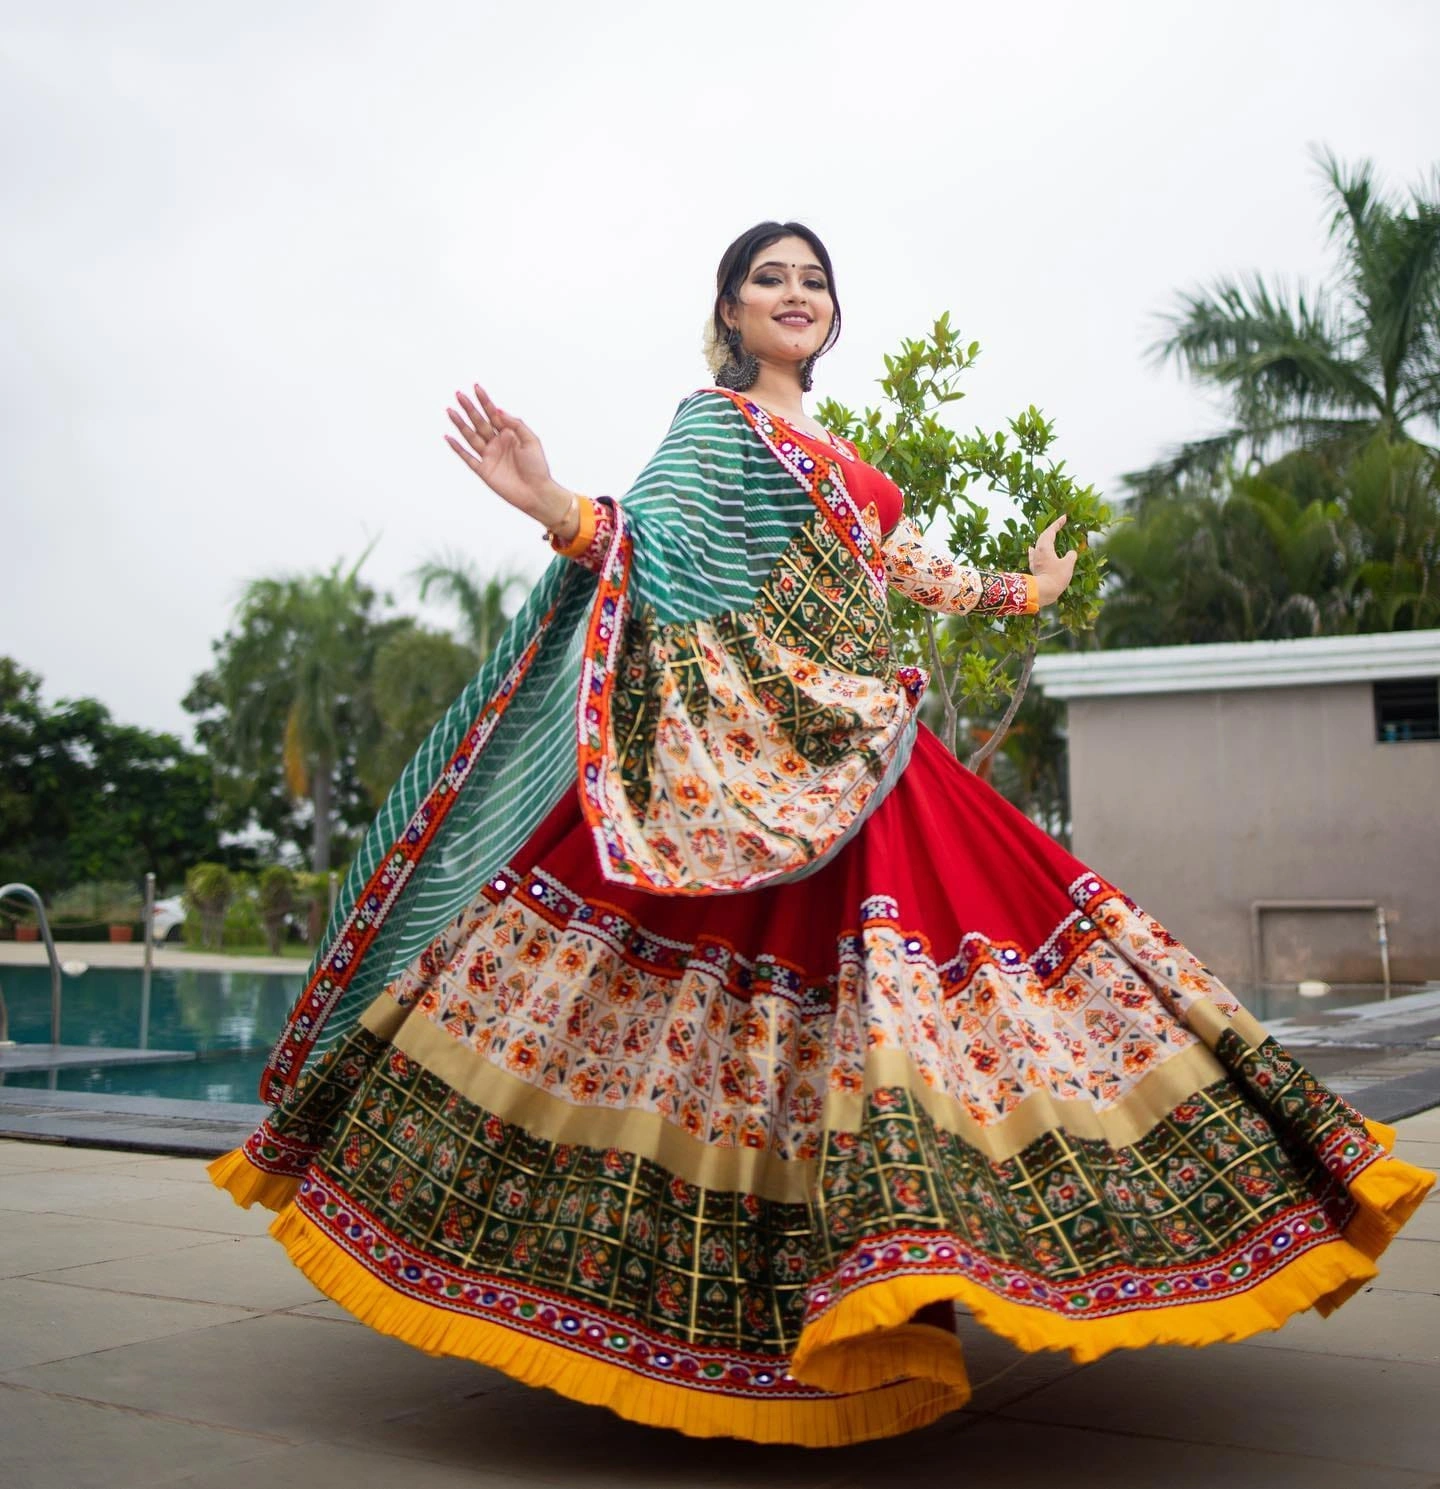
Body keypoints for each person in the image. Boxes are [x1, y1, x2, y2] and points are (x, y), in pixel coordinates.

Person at [211, 221, 1434, 1447]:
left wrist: (1029, 590)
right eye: (768, 280)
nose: (794, 295)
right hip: (756, 773)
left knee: (973, 985)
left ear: (831, 315)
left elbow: (902, 567)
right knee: (715, 1029)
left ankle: (943, 1249)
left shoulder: (838, 454)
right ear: (731, 314)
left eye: (813, 281)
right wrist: (555, 507)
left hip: (869, 750)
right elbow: (659, 550)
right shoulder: (716, 429)